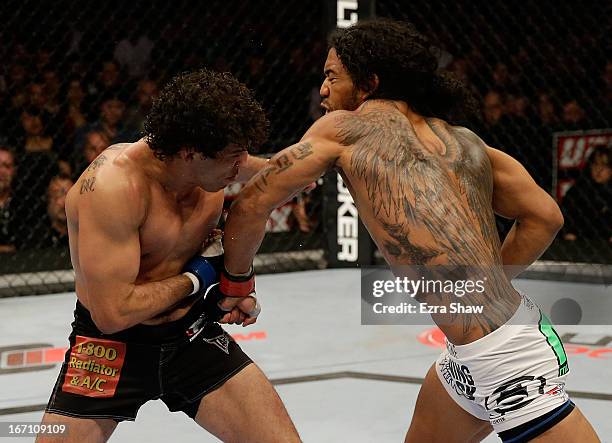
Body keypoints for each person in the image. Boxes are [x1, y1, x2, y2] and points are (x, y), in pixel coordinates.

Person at [217, 20, 599, 442]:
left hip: (507, 359)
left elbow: (253, 203)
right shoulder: (466, 141)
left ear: (369, 83)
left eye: (331, 76)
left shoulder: (344, 128)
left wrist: (235, 281)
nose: (323, 90)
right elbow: (545, 216)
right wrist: (486, 285)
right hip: (480, 348)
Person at [37, 69, 300, 443]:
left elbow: (281, 175)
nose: (241, 169)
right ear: (190, 152)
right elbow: (113, 313)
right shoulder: (114, 188)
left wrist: (235, 282)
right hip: (109, 349)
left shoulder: (211, 169)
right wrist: (198, 278)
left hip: (190, 336)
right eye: (232, 159)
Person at [561, 146, 611, 243]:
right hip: (579, 240)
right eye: (596, 164)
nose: (599, 170)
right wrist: (570, 231)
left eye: (604, 166)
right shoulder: (578, 189)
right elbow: (566, 213)